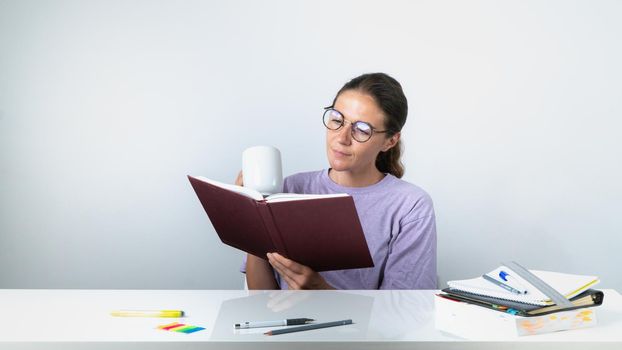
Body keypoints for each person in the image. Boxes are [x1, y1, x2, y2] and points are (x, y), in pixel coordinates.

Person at [238, 72, 437, 290]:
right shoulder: (289, 189)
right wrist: (251, 225)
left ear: (390, 141)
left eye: (362, 130)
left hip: (361, 326)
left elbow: (404, 311)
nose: (341, 138)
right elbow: (261, 299)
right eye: (337, 120)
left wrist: (322, 292)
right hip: (283, 324)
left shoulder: (410, 206)